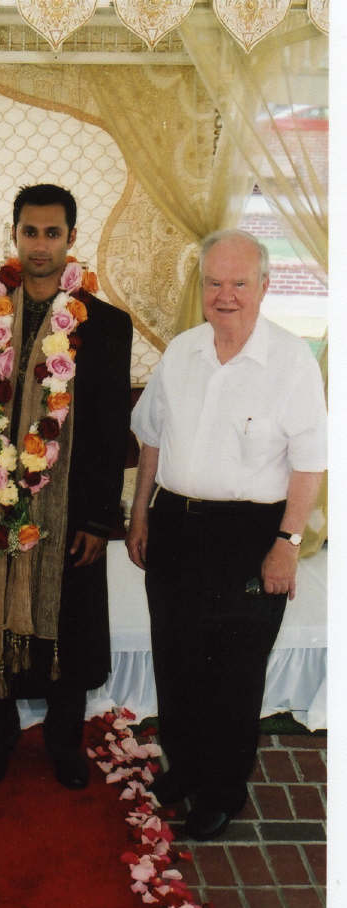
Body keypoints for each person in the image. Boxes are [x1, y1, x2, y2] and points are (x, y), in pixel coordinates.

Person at [126, 229, 327, 841]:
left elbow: (310, 463)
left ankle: (222, 791)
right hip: (175, 523)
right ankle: (184, 769)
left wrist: (287, 544)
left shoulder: (291, 361)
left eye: (240, 283)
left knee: (234, 672)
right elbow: (151, 439)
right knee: (176, 658)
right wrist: (140, 516)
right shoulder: (181, 351)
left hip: (251, 533)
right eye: (214, 282)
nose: (226, 295)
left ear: (265, 286)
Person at [0, 183, 132, 789]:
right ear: (13, 234)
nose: (40, 245)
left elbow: (110, 428)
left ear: (71, 238)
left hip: (69, 505)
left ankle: (64, 741)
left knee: (69, 622)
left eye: (52, 233)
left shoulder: (106, 324)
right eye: (29, 232)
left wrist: (97, 519)